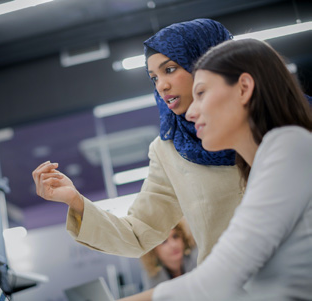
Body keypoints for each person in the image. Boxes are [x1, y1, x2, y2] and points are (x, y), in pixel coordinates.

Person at [33, 18, 243, 265]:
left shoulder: (276, 119)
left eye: (170, 69)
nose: (162, 85)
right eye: (153, 77)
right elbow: (137, 233)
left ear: (206, 63)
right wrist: (75, 200)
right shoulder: (169, 150)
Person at [120, 38, 312, 300]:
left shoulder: (289, 146)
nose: (190, 113)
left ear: (243, 88)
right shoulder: (262, 166)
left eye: (201, 93)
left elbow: (218, 279)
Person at [140, 219, 197, 289]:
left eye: (175, 236)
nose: (173, 245)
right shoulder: (152, 276)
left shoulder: (197, 258)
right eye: (164, 242)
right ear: (153, 250)